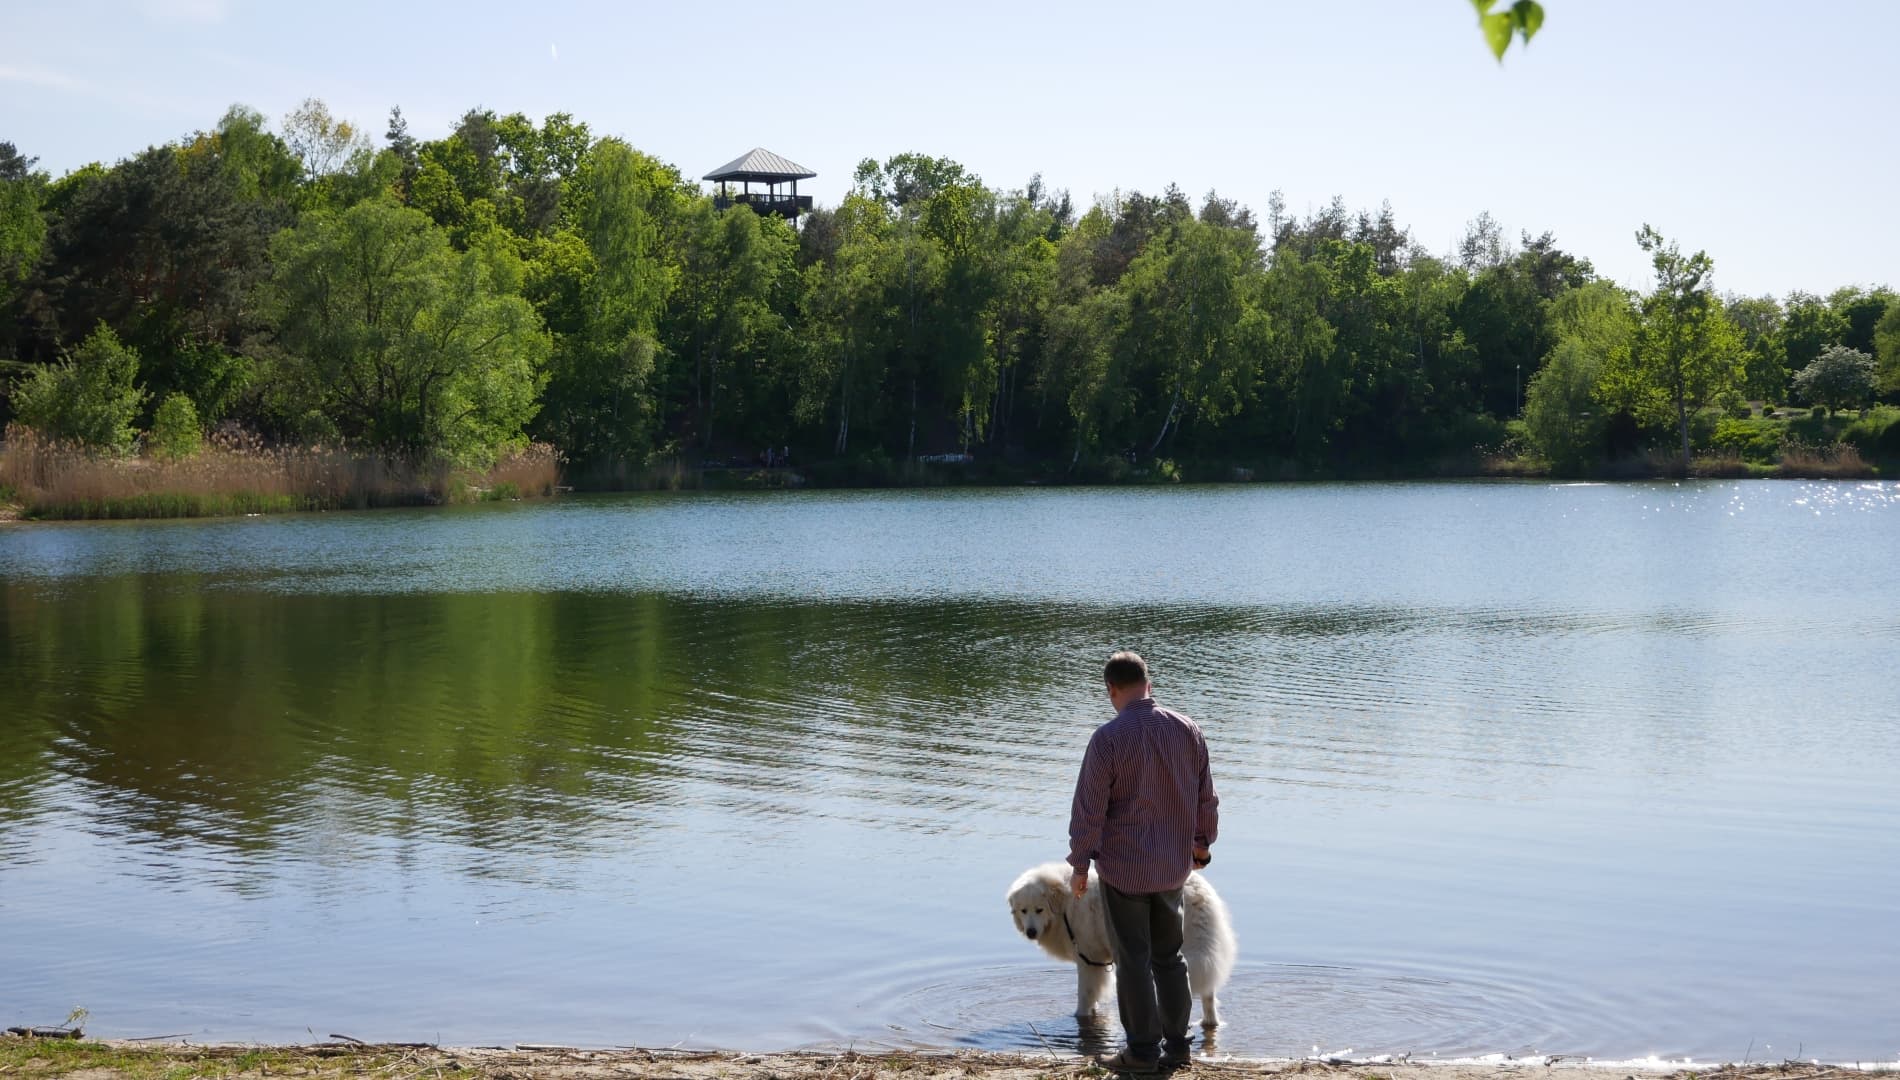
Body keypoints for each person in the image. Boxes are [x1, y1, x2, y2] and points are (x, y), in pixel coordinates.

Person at [1068, 651, 1219, 1074]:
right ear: (1148, 684)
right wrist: (1201, 846)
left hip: (1124, 870)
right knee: (1169, 957)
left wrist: (1080, 866)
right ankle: (1179, 1048)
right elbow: (1205, 796)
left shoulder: (1108, 739)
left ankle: (1141, 1052)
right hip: (1173, 867)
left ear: (1111, 690)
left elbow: (1088, 811)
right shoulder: (1188, 730)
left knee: (1133, 959)